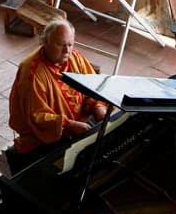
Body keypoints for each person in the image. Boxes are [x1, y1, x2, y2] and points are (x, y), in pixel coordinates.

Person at [7, 18, 107, 171]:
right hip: (45, 135)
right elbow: (38, 116)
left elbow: (93, 87)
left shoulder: (75, 57)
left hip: (80, 122)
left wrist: (98, 107)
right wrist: (69, 125)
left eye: (70, 44)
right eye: (60, 44)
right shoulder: (32, 73)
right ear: (44, 42)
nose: (67, 51)